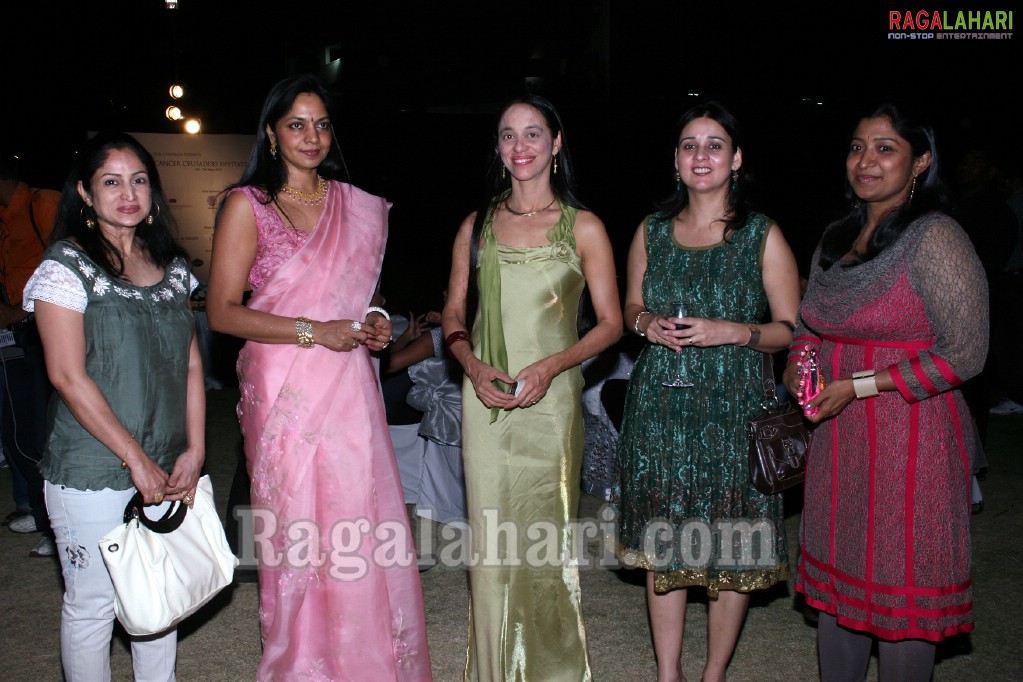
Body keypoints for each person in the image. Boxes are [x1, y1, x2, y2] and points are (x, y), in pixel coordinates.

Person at [205, 74, 432, 681]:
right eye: (297, 124)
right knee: (298, 523)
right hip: (283, 382)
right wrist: (314, 331)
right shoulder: (246, 204)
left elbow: (366, 292)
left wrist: (378, 318)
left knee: (356, 511)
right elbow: (222, 310)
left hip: (349, 376)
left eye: (322, 123)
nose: (312, 136)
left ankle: (366, 655)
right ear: (272, 135)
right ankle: (303, 660)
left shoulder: (351, 204)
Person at [782, 103, 987, 682]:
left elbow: (967, 352)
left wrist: (860, 385)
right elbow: (810, 323)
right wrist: (802, 365)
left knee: (902, 593)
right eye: (856, 147)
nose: (865, 161)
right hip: (839, 437)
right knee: (840, 588)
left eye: (885, 148)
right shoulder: (836, 236)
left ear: (920, 161)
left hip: (911, 439)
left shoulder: (936, 237)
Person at [612, 101, 800, 682]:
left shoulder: (761, 234)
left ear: (736, 159)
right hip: (661, 406)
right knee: (665, 537)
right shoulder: (651, 231)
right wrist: (647, 326)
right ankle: (668, 673)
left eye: (715, 145)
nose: (702, 156)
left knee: (730, 539)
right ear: (675, 160)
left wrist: (733, 332)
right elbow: (630, 309)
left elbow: (793, 329)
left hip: (735, 405)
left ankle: (713, 673)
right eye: (690, 145)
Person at [441, 93, 621, 681]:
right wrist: (469, 363)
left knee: (544, 544)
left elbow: (612, 325)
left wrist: (551, 366)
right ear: (497, 147)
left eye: (533, 134)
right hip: (484, 397)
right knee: (491, 547)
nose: (520, 147)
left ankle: (554, 671)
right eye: (508, 135)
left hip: (552, 401)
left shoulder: (585, 227)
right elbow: (451, 316)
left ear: (557, 143)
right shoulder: (478, 226)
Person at [22, 131, 205, 680]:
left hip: (170, 462)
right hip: (93, 468)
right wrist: (135, 459)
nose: (128, 193)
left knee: (157, 599)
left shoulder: (173, 269)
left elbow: (191, 364)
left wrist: (196, 448)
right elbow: (67, 376)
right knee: (93, 605)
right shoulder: (65, 267)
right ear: (84, 193)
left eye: (139, 180)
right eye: (111, 181)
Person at [0, 151, 58, 556]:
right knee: (18, 430)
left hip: (43, 330)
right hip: (17, 332)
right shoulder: (6, 216)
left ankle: (54, 527)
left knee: (37, 432)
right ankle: (42, 515)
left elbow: (71, 267)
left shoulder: (43, 204)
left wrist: (19, 311)